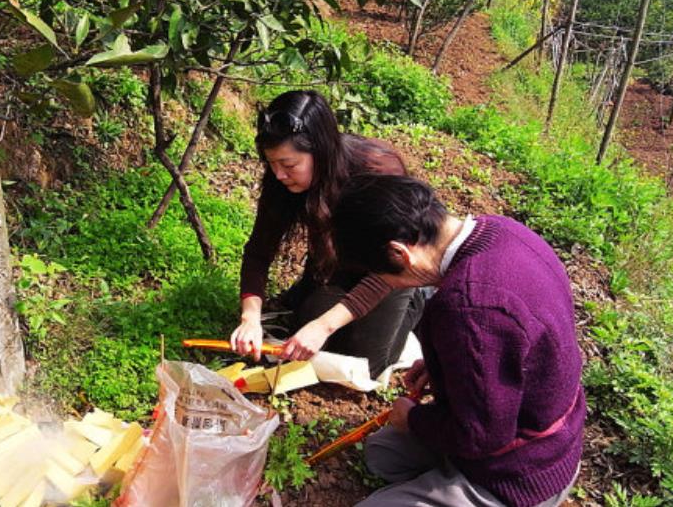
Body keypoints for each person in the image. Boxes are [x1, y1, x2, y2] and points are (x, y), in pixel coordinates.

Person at [331, 175, 585, 507]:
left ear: (400, 253)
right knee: (383, 455)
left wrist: (414, 420)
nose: (390, 285)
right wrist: (443, 366)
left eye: (384, 277)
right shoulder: (502, 229)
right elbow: (509, 354)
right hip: (533, 427)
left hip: (522, 471)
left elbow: (482, 436)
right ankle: (445, 480)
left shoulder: (469, 307)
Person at [229, 90, 424, 378]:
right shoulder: (280, 181)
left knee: (365, 364)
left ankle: (418, 298)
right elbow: (259, 251)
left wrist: (324, 325)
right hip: (339, 263)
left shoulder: (375, 170)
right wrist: (250, 318)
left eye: (289, 165)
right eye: (272, 164)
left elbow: (392, 264)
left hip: (392, 270)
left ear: (319, 151)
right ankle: (313, 299)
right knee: (306, 341)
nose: (279, 174)